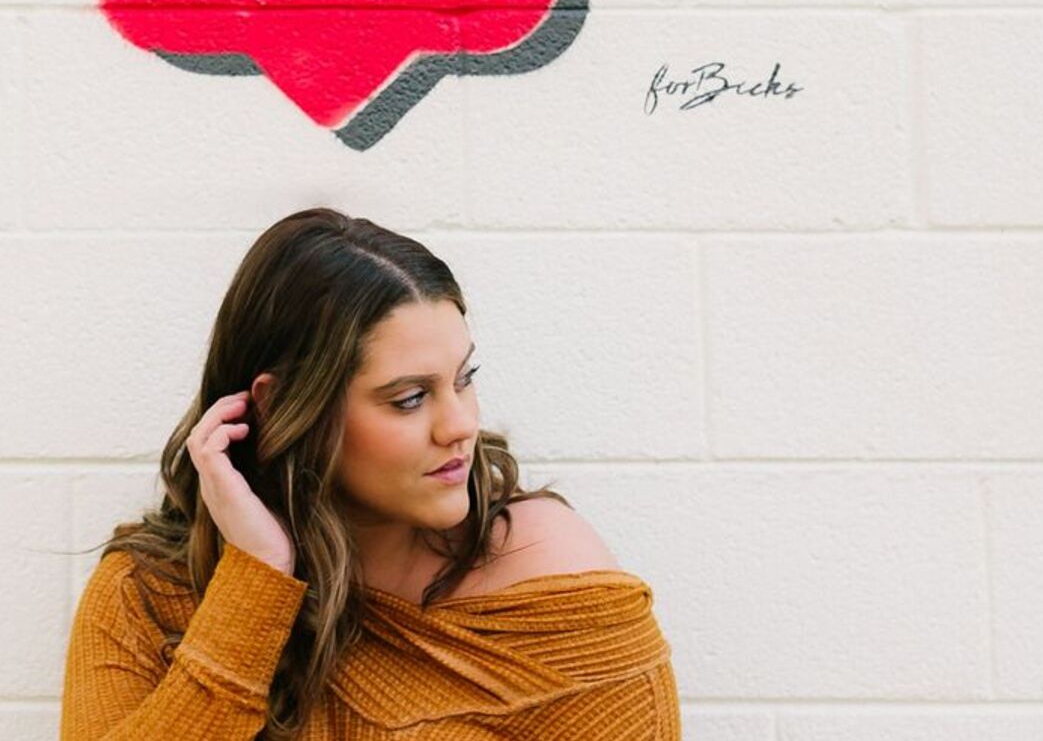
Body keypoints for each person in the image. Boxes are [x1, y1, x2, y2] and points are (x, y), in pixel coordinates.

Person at [60, 208, 681, 740]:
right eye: (409, 398)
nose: (458, 425)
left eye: (463, 379)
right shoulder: (147, 593)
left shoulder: (548, 573)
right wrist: (254, 584)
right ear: (280, 407)